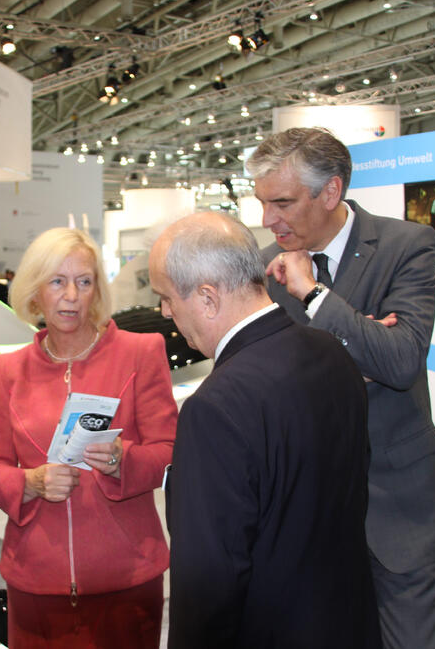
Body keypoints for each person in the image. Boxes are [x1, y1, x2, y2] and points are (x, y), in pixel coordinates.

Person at [247, 127, 435, 649]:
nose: (267, 220)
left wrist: (313, 294)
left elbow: (399, 360)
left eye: (281, 203)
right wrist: (355, 347)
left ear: (330, 192)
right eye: (261, 203)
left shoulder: (405, 245)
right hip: (303, 512)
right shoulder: (260, 268)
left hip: (398, 511)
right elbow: (257, 379)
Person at [149, 212, 381, 648]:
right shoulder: (331, 352)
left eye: (166, 297)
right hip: (346, 622)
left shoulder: (215, 408)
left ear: (208, 298)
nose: (165, 312)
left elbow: (209, 583)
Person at [0, 227, 176, 649]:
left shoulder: (141, 353)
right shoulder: (8, 371)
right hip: (35, 588)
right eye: (57, 281)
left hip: (125, 582)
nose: (71, 295)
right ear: (34, 291)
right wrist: (29, 483)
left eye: (84, 282)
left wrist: (124, 459)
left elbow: (170, 452)